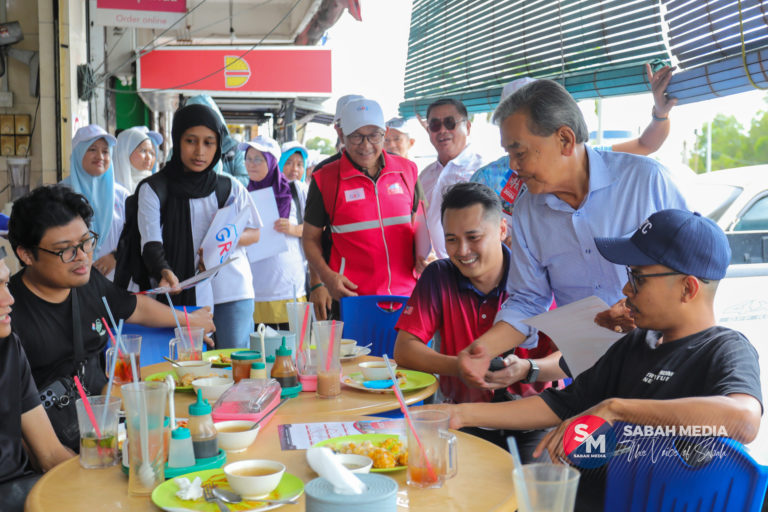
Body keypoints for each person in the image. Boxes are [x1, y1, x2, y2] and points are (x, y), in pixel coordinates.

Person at [436, 209, 762, 511]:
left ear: (688, 288)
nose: (626, 288)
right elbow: (562, 405)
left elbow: (744, 420)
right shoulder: (635, 343)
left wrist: (615, 409)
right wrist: (458, 414)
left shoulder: (724, 349)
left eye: (638, 277)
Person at [457, 78, 688, 391]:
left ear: (565, 139)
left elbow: (695, 273)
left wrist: (646, 310)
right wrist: (484, 349)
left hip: (666, 370)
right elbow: (528, 299)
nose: (513, 166)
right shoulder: (527, 210)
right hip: (590, 378)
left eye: (520, 153)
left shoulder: (645, 182)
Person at [7, 185, 215, 450]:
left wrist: (189, 320)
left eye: (86, 242)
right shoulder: (9, 312)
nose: (82, 256)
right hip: (50, 445)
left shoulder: (88, 281)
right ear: (26, 254)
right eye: (65, 250)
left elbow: (134, 307)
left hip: (106, 425)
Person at [393, 182, 558, 461]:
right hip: (461, 418)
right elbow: (404, 350)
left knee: (531, 497)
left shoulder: (534, 278)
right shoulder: (439, 276)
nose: (462, 250)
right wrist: (459, 366)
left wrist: (528, 369)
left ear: (503, 230)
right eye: (452, 239)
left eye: (473, 236)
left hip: (531, 421)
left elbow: (568, 359)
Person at [471, 64, 678, 224]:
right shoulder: (487, 180)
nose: (515, 166)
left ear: (564, 140)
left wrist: (661, 113)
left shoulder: (592, 161)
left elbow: (644, 145)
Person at [136, 103, 261, 349]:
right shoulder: (154, 188)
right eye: (191, 141)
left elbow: (255, 232)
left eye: (209, 142)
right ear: (177, 140)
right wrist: (163, 271)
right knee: (188, 370)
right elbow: (150, 242)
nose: (199, 151)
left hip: (231, 291)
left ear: (217, 146)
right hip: (178, 290)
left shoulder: (230, 187)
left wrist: (222, 243)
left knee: (234, 365)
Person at [303, 98, 424, 320]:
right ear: (341, 135)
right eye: (356, 136)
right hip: (354, 299)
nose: (366, 145)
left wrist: (427, 256)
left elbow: (420, 225)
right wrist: (326, 278)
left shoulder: (408, 171)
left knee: (408, 356)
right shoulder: (325, 179)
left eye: (374, 135)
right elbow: (310, 238)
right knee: (358, 356)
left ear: (385, 132)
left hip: (409, 298)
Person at [0, 247, 74, 512]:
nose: (8, 299)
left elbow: (51, 454)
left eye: (6, 283)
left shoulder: (9, 347)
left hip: (25, 494)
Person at [243, 136, 307, 330]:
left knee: (294, 351)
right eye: (248, 158)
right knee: (261, 350)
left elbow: (316, 228)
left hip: (290, 286)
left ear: (271, 161)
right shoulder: (240, 194)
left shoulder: (296, 190)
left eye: (258, 159)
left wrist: (294, 229)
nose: (251, 165)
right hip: (255, 288)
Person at [61, 125, 128, 282]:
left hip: (117, 281)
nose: (100, 156)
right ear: (78, 153)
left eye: (105, 151)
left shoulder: (122, 195)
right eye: (92, 149)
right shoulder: (60, 194)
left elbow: (134, 234)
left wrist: (115, 256)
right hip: (73, 279)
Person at [420, 98, 485, 258]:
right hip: (433, 272)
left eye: (450, 123)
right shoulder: (423, 176)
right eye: (435, 125)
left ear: (468, 127)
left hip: (471, 269)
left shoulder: (482, 171)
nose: (442, 130)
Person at [184, 94, 248, 186]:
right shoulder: (180, 150)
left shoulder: (234, 149)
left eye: (205, 120)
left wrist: (217, 176)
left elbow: (246, 181)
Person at [279, 141, 311, 299]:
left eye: (299, 164)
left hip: (302, 270)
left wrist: (292, 229)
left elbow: (317, 227)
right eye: (289, 163)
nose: (295, 169)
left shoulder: (303, 189)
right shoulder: (269, 190)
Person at [113, 126, 163, 193]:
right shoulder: (111, 187)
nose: (149, 158)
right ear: (126, 152)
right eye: (143, 151)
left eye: (151, 153)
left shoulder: (154, 185)